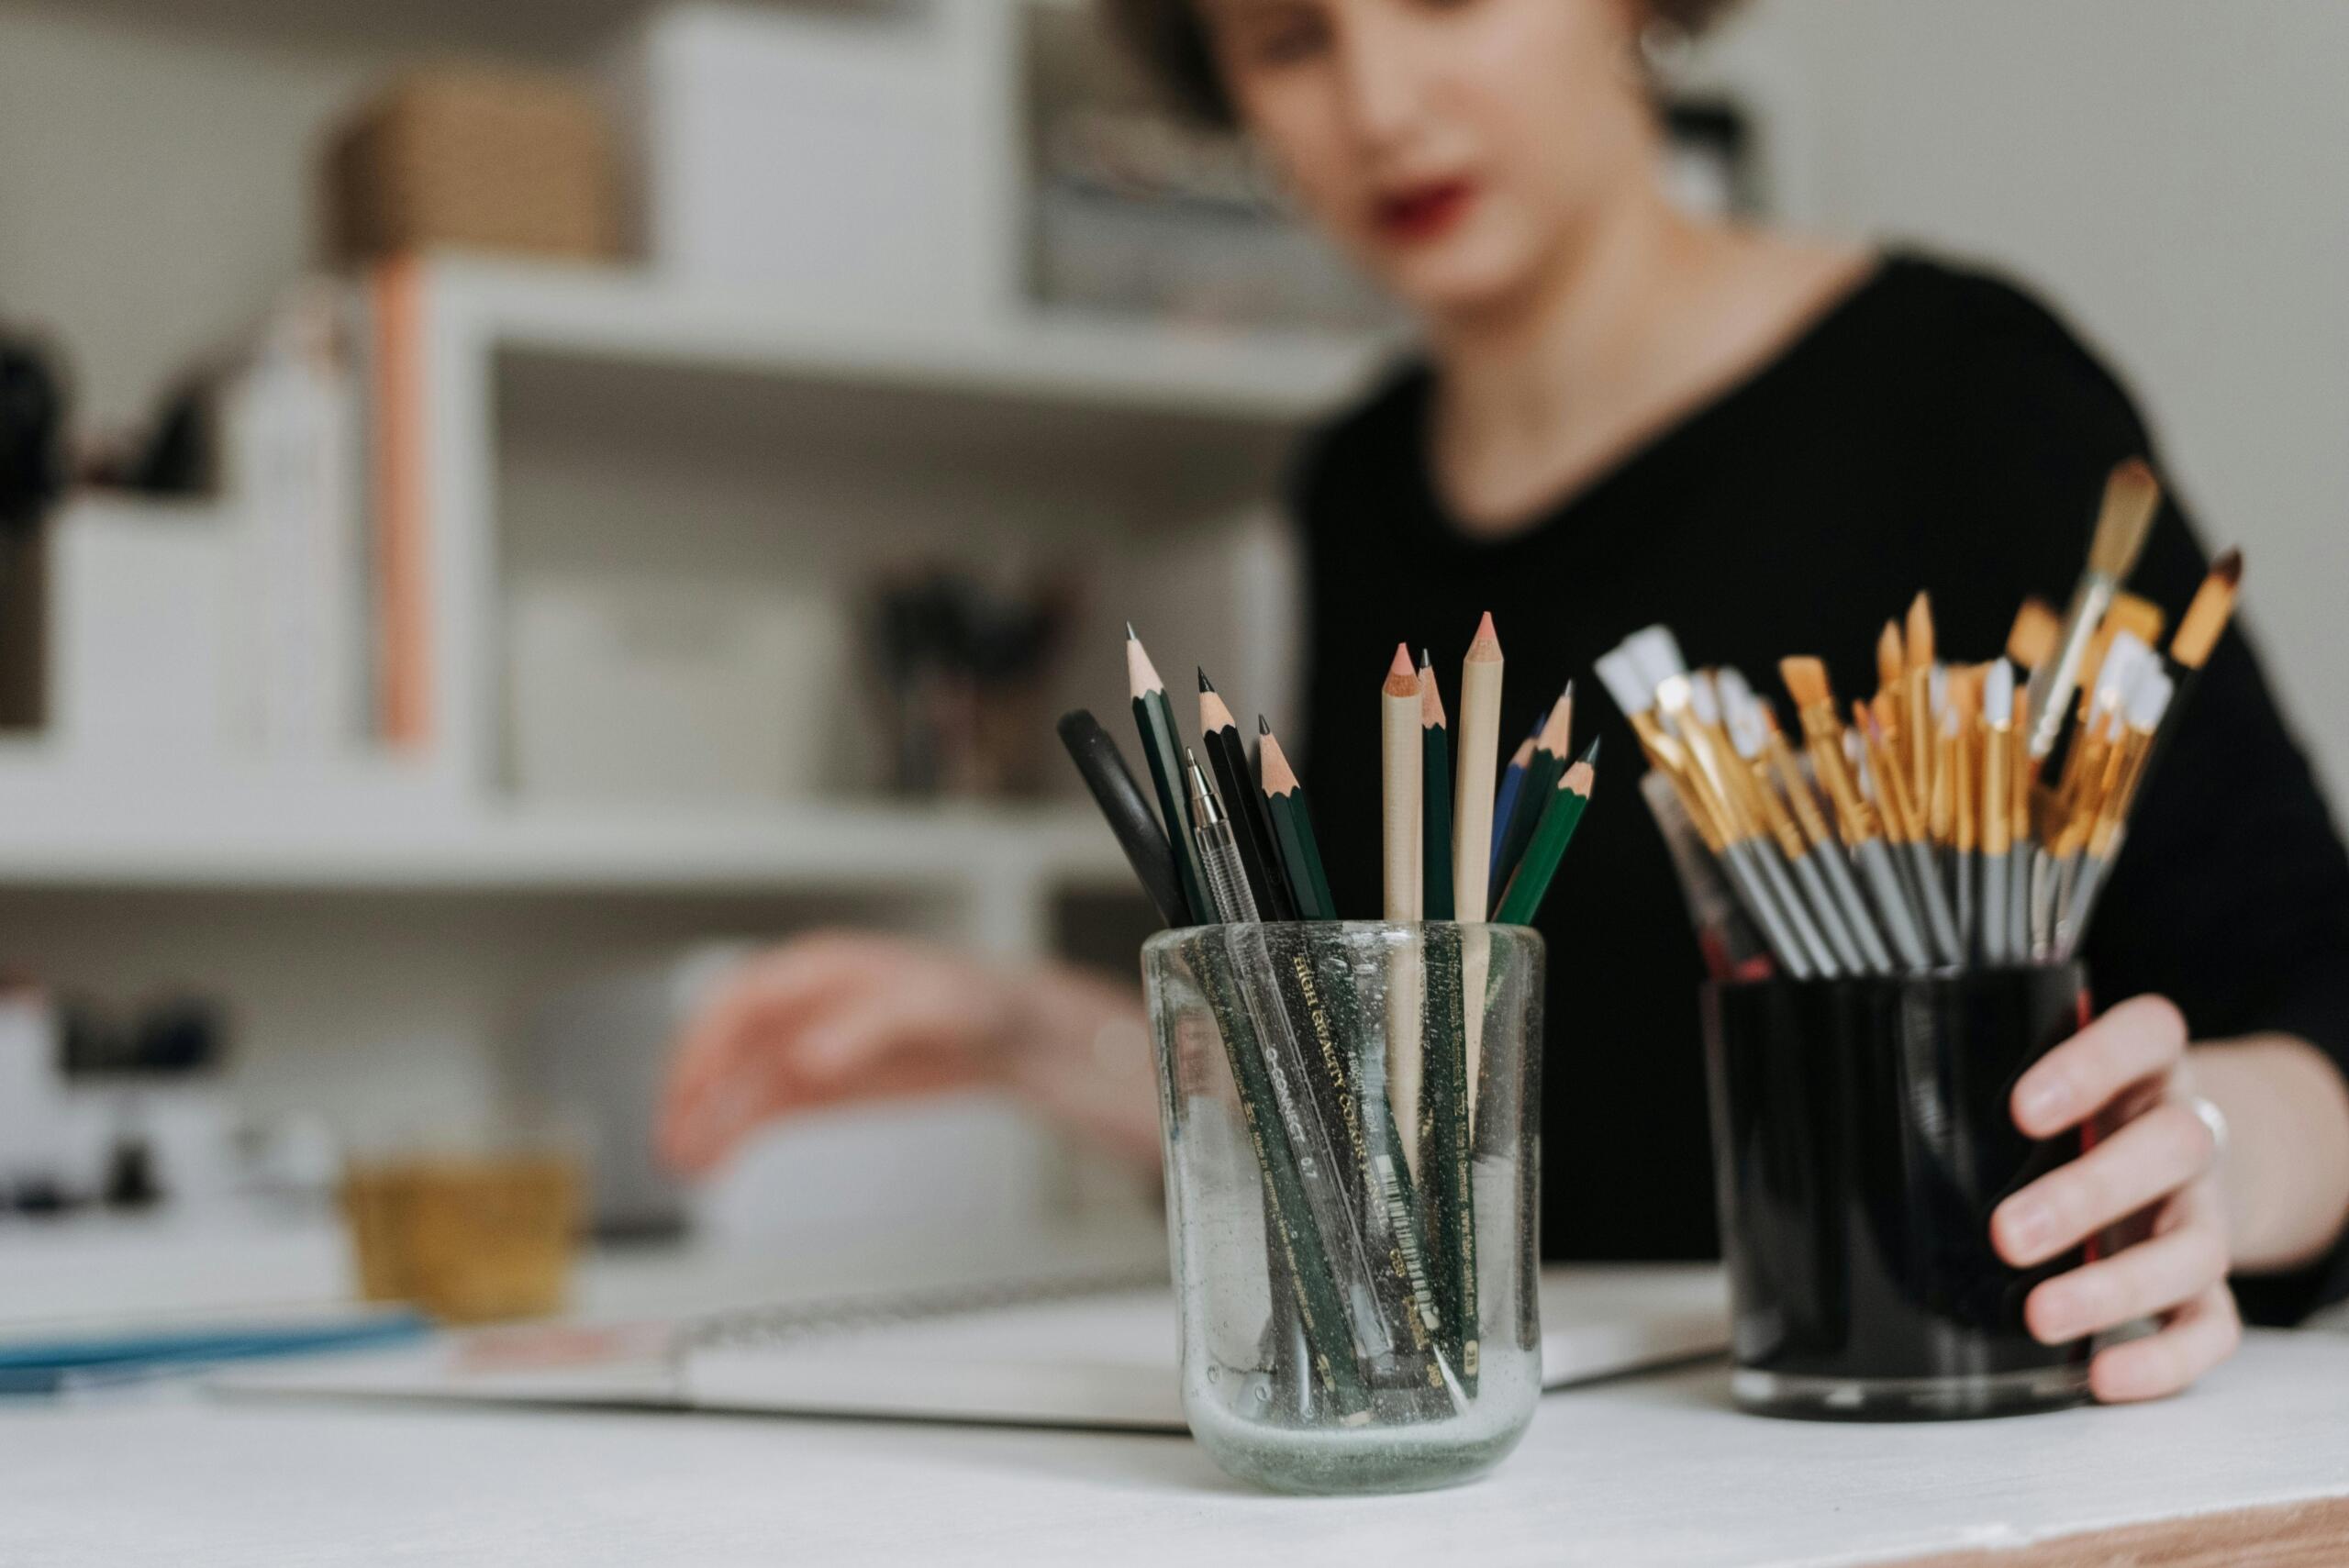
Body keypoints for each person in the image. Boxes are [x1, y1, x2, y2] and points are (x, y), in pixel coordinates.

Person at [661, 0, 2349, 1400]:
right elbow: (1394, 1114)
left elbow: (2319, 1008)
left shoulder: (1969, 400)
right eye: (1287, 40)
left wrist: (2214, 1152)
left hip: (1965, 1444)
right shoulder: (1356, 491)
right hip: (1555, 1482)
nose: (1381, 103)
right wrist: (1013, 1030)